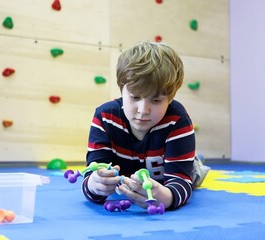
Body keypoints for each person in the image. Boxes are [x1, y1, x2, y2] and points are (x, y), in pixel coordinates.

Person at [82, 41, 210, 210]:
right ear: (122, 90)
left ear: (170, 98)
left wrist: (167, 198)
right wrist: (94, 185)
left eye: (156, 100)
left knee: (194, 173)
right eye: (135, 97)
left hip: (168, 171)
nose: (143, 110)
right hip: (130, 173)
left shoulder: (177, 119)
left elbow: (181, 181)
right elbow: (93, 170)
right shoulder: (105, 117)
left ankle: (195, 161)